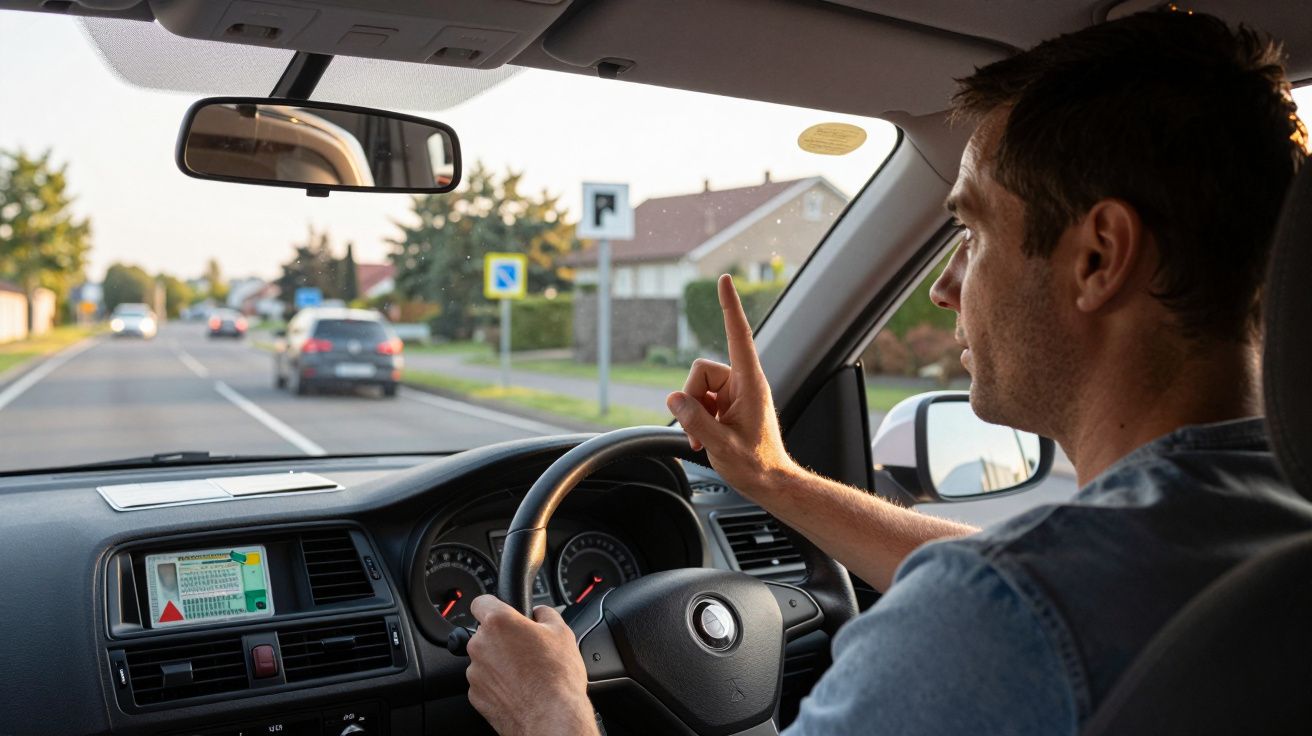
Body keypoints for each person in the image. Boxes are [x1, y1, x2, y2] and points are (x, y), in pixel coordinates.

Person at [462, 9, 1312, 735]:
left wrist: (551, 711)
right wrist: (773, 478)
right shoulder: (1269, 527)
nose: (944, 286)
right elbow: (1042, 577)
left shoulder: (997, 618)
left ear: (1098, 256)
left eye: (972, 233)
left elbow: (1014, 595)